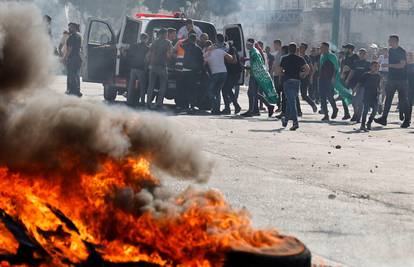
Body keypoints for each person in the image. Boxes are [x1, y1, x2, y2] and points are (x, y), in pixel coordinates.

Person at [375, 35, 410, 128]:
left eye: (390, 40)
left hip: (401, 79)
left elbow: (402, 65)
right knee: (388, 99)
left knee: (403, 100)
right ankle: (384, 118)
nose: (388, 42)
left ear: (395, 41)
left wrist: (389, 65)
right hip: (391, 78)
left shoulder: (401, 51)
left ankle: (407, 120)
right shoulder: (390, 51)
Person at [242, 39, 277, 118]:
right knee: (253, 93)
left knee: (251, 93)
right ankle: (266, 107)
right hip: (257, 74)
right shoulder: (255, 51)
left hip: (255, 75)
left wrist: (244, 67)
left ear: (250, 44)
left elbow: (255, 65)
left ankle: (251, 111)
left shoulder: (253, 52)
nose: (246, 46)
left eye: (247, 44)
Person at [279, 42, 310, 131]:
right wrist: (303, 75)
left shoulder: (284, 58)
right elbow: (308, 69)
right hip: (296, 81)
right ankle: (285, 121)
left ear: (288, 49)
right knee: (290, 101)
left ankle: (295, 122)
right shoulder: (300, 59)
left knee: (292, 102)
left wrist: (282, 76)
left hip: (287, 81)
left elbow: (279, 71)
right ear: (296, 49)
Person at [204, 34, 234, 115]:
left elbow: (203, 63)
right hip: (224, 73)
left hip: (215, 73)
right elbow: (231, 58)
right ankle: (216, 110)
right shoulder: (221, 51)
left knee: (210, 90)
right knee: (217, 91)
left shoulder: (207, 53)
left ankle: (215, 104)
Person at [146, 28, 173, 109]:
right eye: (166, 33)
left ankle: (148, 103)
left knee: (151, 85)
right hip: (162, 66)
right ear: (164, 34)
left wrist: (149, 64)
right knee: (162, 85)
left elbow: (149, 54)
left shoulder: (154, 42)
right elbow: (169, 55)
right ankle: (159, 103)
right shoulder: (168, 43)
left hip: (153, 66)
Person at [181, 33, 204, 113]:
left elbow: (181, 46)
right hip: (194, 72)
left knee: (185, 89)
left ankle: (185, 106)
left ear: (189, 39)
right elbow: (201, 61)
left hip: (184, 70)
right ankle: (192, 106)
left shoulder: (185, 47)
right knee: (193, 89)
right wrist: (200, 70)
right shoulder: (199, 49)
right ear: (195, 40)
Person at [346, 48, 371, 122]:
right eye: (360, 53)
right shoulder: (355, 62)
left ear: (366, 55)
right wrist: (347, 79)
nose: (362, 55)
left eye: (363, 53)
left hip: (363, 84)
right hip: (354, 84)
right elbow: (352, 71)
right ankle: (355, 114)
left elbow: (370, 74)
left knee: (360, 101)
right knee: (353, 101)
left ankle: (358, 117)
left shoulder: (368, 64)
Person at [126, 33, 150, 107]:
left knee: (131, 85)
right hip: (141, 69)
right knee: (142, 86)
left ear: (140, 38)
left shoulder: (134, 46)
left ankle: (129, 101)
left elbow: (129, 54)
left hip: (133, 68)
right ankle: (142, 102)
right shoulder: (147, 48)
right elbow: (147, 59)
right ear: (146, 39)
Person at [319, 42, 339, 121]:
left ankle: (335, 109)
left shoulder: (332, 56)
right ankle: (326, 115)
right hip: (321, 79)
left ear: (327, 48)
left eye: (322, 47)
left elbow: (336, 68)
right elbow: (321, 67)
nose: (321, 49)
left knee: (330, 96)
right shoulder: (322, 56)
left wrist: (333, 78)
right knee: (322, 97)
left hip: (329, 79)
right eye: (321, 47)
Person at [221, 40, 242, 115]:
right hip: (232, 73)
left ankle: (229, 108)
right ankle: (235, 106)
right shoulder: (230, 49)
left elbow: (234, 61)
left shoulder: (231, 49)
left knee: (225, 89)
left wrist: (225, 59)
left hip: (234, 73)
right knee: (227, 90)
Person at [359, 61, 381, 131]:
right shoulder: (366, 75)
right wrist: (356, 90)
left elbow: (379, 85)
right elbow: (360, 83)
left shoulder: (378, 76)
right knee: (365, 110)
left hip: (375, 95)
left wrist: (380, 91)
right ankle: (362, 125)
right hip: (367, 95)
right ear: (371, 67)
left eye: (377, 66)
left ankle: (369, 123)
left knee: (375, 110)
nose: (376, 67)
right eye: (374, 66)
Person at [340, 43, 359, 120]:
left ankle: (356, 114)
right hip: (345, 80)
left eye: (346, 49)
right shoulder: (345, 58)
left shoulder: (355, 57)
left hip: (354, 80)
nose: (344, 50)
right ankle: (346, 113)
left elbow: (354, 69)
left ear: (350, 49)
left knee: (355, 97)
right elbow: (343, 69)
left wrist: (348, 77)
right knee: (343, 96)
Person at [298, 43, 318, 114]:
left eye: (302, 47)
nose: (300, 48)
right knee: (295, 95)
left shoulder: (306, 57)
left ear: (305, 49)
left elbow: (311, 68)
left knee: (304, 95)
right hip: (297, 77)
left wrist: (309, 76)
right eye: (300, 47)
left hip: (304, 78)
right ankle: (298, 111)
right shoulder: (297, 56)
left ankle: (313, 104)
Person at [64, 22, 82, 97]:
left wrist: (65, 57)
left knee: (71, 75)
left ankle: (72, 91)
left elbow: (70, 49)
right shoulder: (79, 36)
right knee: (76, 75)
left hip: (72, 59)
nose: (69, 28)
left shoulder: (71, 37)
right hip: (78, 58)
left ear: (74, 28)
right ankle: (77, 90)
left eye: (70, 27)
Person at [271, 40, 283, 111]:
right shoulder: (277, 53)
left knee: (279, 91)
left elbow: (279, 65)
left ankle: (280, 106)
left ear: (278, 44)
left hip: (279, 75)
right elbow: (274, 64)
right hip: (276, 74)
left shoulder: (281, 53)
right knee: (277, 91)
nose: (274, 46)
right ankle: (279, 106)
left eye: (275, 45)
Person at [378, 48, 389, 114]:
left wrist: (386, 65)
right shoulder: (381, 57)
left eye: (385, 51)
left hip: (387, 73)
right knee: (380, 87)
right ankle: (379, 103)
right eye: (383, 51)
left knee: (384, 88)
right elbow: (378, 63)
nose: (384, 52)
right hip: (380, 72)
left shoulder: (390, 58)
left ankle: (381, 102)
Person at [406, 52, 414, 126]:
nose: (410, 57)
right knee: (408, 105)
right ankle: (407, 120)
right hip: (407, 88)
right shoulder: (404, 66)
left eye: (412, 55)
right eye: (409, 55)